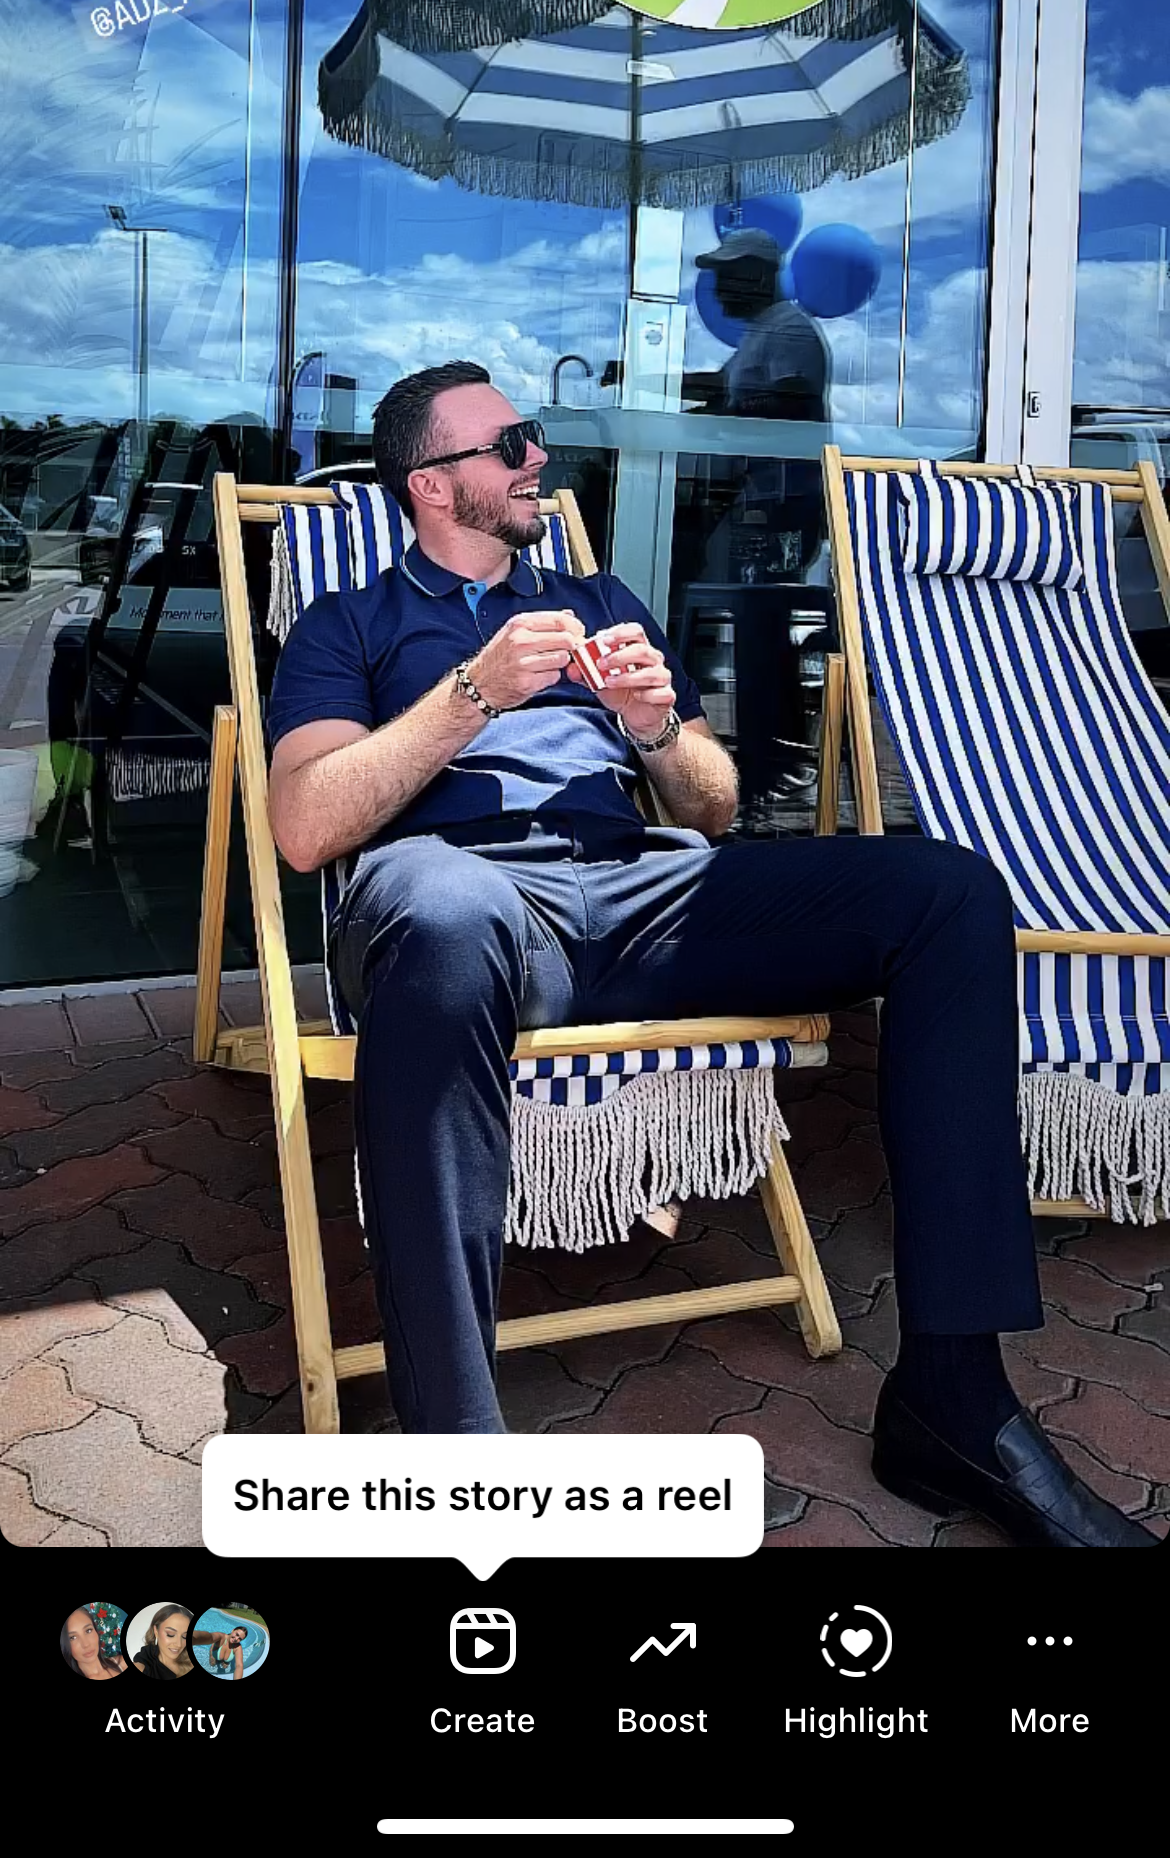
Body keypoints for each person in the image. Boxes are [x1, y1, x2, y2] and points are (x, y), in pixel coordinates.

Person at [267, 361, 1155, 1548]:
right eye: (510, 443)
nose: (540, 458)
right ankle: (455, 1462)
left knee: (945, 892)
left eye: (535, 437)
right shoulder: (349, 624)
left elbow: (715, 807)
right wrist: (472, 692)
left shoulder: (597, 597)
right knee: (440, 908)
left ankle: (955, 1396)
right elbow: (306, 824)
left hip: (644, 895)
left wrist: (653, 731)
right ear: (433, 483)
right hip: (476, 906)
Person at [692, 227, 830, 824]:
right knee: (757, 631)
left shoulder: (790, 329)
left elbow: (792, 399)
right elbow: (725, 388)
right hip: (761, 499)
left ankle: (785, 766)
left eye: (728, 275)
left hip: (784, 504)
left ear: (758, 275)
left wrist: (723, 408)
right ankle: (767, 760)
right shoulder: (760, 334)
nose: (719, 288)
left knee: (764, 632)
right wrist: (661, 382)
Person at [61, 1608, 126, 1679]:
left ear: (96, 1631)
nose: (86, 1644)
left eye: (88, 1630)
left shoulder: (122, 1663)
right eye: (72, 1637)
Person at [133, 1606, 194, 1680]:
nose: (179, 1644)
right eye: (170, 1634)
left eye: (185, 1636)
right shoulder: (144, 1667)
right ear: (156, 1631)